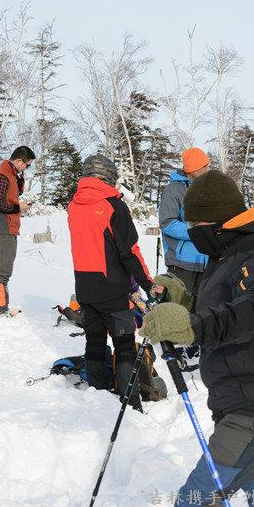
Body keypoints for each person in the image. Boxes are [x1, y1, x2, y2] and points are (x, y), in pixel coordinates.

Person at [141, 170, 254, 507]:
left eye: (195, 224)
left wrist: (191, 327)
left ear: (215, 221)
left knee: (194, 503)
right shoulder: (227, 253)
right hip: (240, 402)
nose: (192, 233)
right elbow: (223, 308)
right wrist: (181, 300)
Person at [67, 154, 154, 411]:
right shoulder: (113, 206)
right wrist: (147, 283)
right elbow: (129, 250)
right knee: (124, 345)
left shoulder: (74, 205)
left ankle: (98, 397)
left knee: (94, 342)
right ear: (109, 177)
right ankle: (131, 404)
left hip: (84, 285)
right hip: (113, 288)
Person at [0, 145, 35, 316]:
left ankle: (1, 306)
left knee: (4, 269)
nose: (27, 168)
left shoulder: (11, 175)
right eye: (27, 165)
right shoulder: (2, 175)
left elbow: (14, 194)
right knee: (1, 270)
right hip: (1, 230)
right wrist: (18, 207)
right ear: (19, 161)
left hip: (7, 229)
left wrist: (21, 177)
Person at [158, 147, 211, 302]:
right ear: (194, 170)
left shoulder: (207, 189)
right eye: (205, 166)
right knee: (178, 312)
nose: (208, 170)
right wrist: (196, 230)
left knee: (201, 313)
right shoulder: (173, 190)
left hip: (207, 263)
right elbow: (167, 223)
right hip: (181, 264)